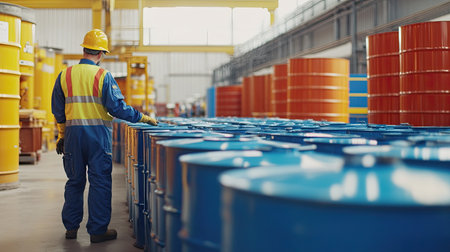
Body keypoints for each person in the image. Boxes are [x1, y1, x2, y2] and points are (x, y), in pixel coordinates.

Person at [51, 29, 158, 243]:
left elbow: (58, 110)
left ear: (83, 49)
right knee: (99, 182)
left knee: (74, 182)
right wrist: (143, 117)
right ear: (101, 54)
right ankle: (98, 231)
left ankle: (71, 228)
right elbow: (117, 108)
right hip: (97, 137)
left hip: (73, 136)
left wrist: (62, 135)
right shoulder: (103, 76)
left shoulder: (65, 75)